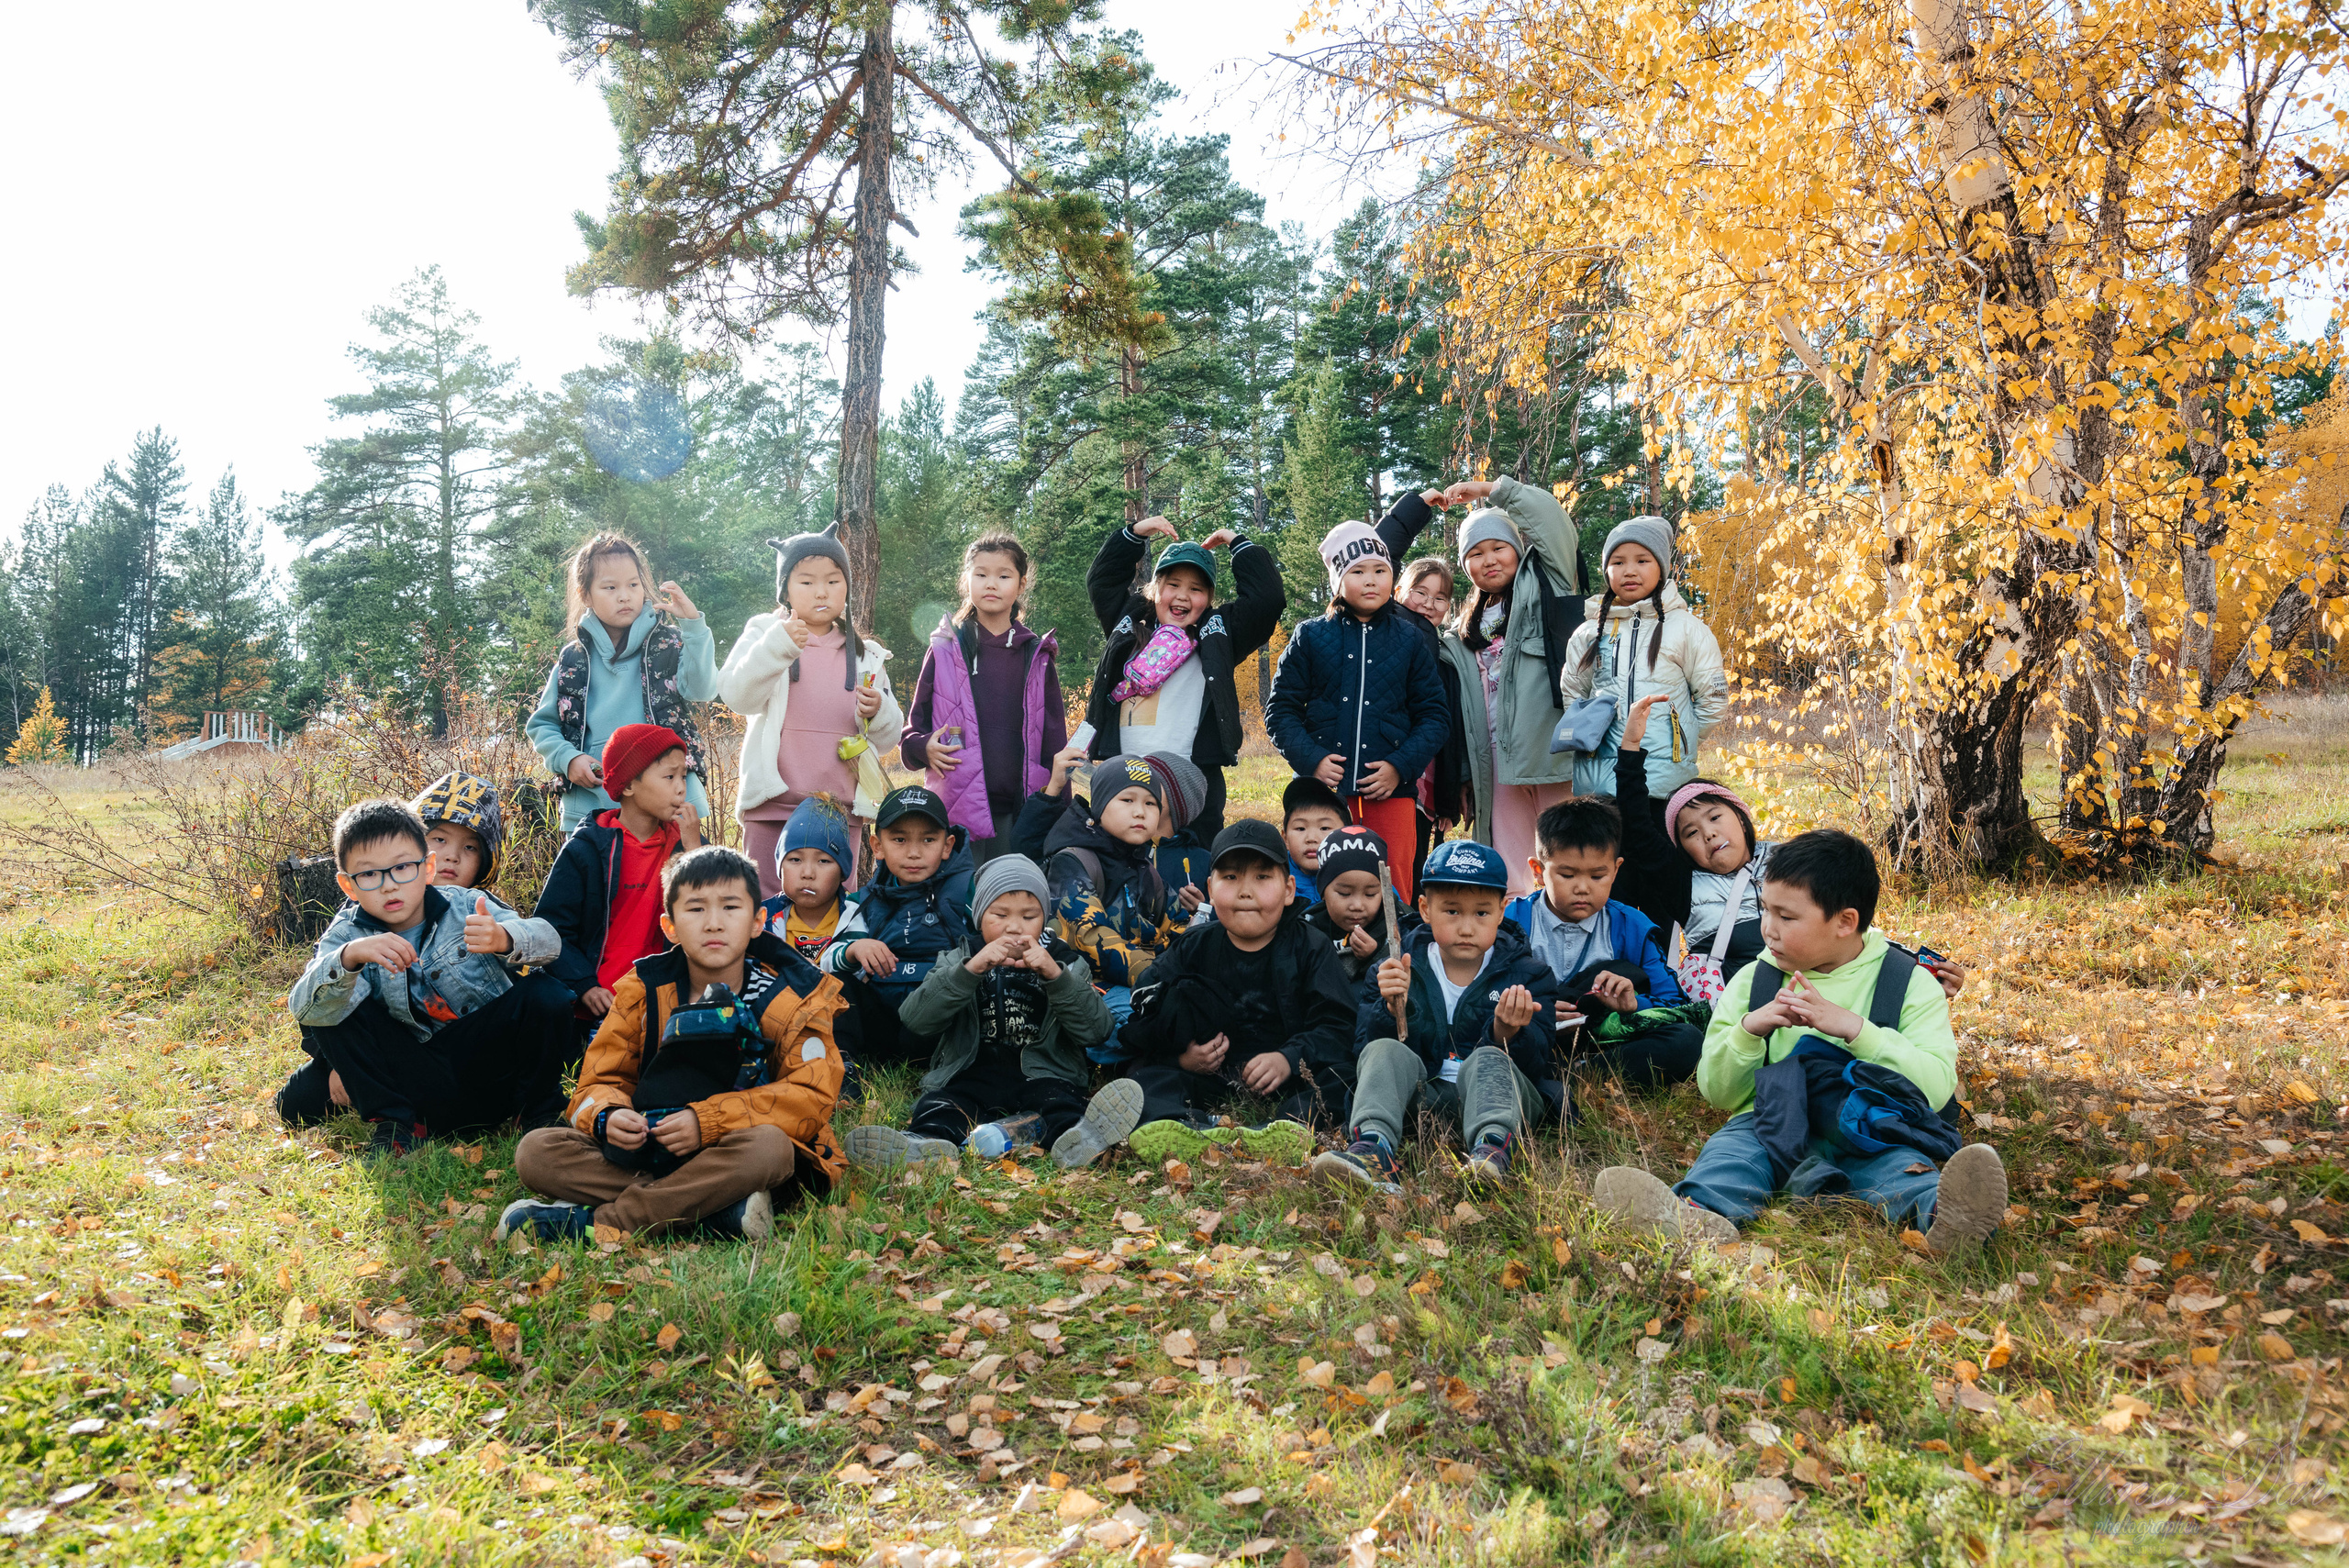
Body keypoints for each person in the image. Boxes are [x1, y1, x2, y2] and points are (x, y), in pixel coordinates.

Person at [1591, 830, 2008, 1253]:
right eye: (1765, 910)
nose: (1767, 930)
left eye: (1786, 917)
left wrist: (1855, 1029)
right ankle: (1694, 1218)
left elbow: (1935, 1088)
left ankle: (1946, 1220)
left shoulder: (1907, 983)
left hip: (1869, 1127)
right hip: (1767, 1122)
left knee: (1899, 1169)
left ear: (1845, 921)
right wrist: (1748, 1032)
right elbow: (1717, 1092)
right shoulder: (1756, 980)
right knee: (1731, 1157)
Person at [496, 847, 848, 1241]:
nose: (714, 924)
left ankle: (606, 1224)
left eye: (731, 908)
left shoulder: (795, 996)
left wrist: (707, 1122)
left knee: (771, 1149)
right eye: (696, 910)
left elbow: (811, 1095)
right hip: (654, 1148)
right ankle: (716, 1212)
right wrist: (609, 1116)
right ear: (670, 927)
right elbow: (598, 1080)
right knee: (537, 1152)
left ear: (757, 921)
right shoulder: (641, 990)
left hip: (740, 1152)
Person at [282, 799, 573, 1154]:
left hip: (488, 1064)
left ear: (427, 867)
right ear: (348, 886)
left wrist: (504, 938)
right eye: (370, 874)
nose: (389, 886)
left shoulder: (466, 904)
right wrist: (350, 958)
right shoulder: (346, 935)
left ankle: (537, 1113)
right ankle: (396, 1126)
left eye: (403, 867)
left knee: (546, 994)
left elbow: (550, 941)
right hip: (416, 1076)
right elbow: (306, 1009)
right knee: (301, 1086)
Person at [843, 855, 1145, 1171]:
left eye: (1029, 916)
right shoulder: (958, 957)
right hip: (972, 1071)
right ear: (979, 916)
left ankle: (1079, 1139)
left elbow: (1096, 1030)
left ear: (1044, 919)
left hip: (1044, 1074)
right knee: (941, 1105)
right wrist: (969, 971)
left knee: (1060, 1103)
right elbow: (916, 1019)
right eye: (1000, 915)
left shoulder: (1065, 963)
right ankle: (923, 1145)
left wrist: (1056, 977)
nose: (1014, 927)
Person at [1311, 839, 1564, 1193]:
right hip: (1417, 1101)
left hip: (1496, 1104)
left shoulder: (1529, 975)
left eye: (1481, 913)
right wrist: (1389, 1009)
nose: (1466, 927)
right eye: (1451, 911)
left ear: (1502, 911)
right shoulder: (1395, 967)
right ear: (1425, 909)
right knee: (1385, 1051)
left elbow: (1538, 1065)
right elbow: (1366, 1054)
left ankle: (1492, 1153)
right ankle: (1373, 1147)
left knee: (1489, 1058)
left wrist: (1507, 1033)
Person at [1122, 820, 1355, 1162]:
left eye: (1262, 877)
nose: (1246, 891)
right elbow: (1146, 1013)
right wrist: (1183, 1058)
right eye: (1230, 877)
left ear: (1289, 889)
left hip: (1292, 1078)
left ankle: (1282, 1128)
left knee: (1345, 1078)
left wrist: (1289, 1059)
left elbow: (1338, 1025)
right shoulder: (1193, 946)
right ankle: (1187, 1128)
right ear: (1210, 889)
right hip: (1210, 1075)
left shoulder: (1310, 946)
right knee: (1145, 1077)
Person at [1265, 522, 1451, 903]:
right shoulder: (1310, 637)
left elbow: (1434, 717)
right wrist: (1312, 759)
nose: (1371, 580)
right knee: (1317, 884)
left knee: (1393, 885)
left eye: (1380, 571)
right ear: (1337, 581)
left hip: (1392, 794)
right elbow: (1280, 709)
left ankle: (1392, 957)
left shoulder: (1411, 640)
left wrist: (1400, 766)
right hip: (1324, 794)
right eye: (1358, 571)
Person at [719, 524, 902, 899]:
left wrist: (880, 710)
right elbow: (738, 695)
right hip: (772, 806)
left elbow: (888, 738)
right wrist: (779, 646)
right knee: (767, 909)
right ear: (785, 589)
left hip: (840, 810)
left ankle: (831, 962)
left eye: (834, 581)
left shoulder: (865, 654)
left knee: (834, 911)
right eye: (806, 582)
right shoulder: (765, 633)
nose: (821, 591)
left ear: (847, 587)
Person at [1082, 516, 1286, 845]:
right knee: (1122, 867)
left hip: (1194, 781)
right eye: (1173, 585)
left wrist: (1236, 541)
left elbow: (1268, 599)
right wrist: (1134, 534)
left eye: (1196, 589)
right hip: (1125, 776)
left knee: (1194, 869)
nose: (1182, 597)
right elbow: (1102, 581)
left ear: (1208, 598)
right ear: (1156, 589)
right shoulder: (1130, 620)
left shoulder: (1219, 635)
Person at [1443, 478, 1587, 895]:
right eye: (1474, 553)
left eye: (1497, 547)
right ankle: (1518, 947)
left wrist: (1491, 489)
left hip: (1550, 755)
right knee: (1511, 874)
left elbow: (1552, 521)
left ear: (1518, 549)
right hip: (1496, 766)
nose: (1488, 560)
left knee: (1568, 860)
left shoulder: (1547, 585)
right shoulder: (1463, 627)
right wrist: (1468, 775)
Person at [1501, 796, 1701, 1093]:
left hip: (1603, 1042)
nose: (1583, 887)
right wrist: (1534, 1008)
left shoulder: (1631, 926)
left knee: (1688, 1041)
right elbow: (1479, 990)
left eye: (1598, 875)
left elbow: (1674, 1004)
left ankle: (1579, 1076)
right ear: (1538, 870)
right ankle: (1552, 1076)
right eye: (1567, 875)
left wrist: (1633, 1005)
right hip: (1530, 1034)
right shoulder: (1512, 920)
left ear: (1616, 869)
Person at [527, 532, 718, 837]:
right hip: (594, 805)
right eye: (610, 587)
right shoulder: (574, 660)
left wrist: (693, 625)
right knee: (599, 885)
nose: (625, 595)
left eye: (633, 584)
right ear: (585, 594)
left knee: (677, 883)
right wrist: (569, 758)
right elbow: (543, 725)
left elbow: (702, 689)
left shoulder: (667, 644)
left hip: (670, 803)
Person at [899, 534, 1068, 865]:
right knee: (960, 902)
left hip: (1020, 809)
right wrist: (924, 747)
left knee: (1008, 904)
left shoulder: (1037, 655)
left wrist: (1058, 805)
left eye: (1004, 576)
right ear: (966, 581)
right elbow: (913, 730)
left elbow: (1054, 740)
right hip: (956, 810)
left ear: (1021, 585)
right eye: (981, 574)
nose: (991, 584)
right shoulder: (945, 649)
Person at [536, 725, 704, 1027]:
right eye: (670, 777)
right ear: (628, 785)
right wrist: (585, 985)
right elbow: (552, 928)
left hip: (665, 997)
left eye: (683, 776)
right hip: (601, 1000)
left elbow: (708, 913)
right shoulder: (587, 848)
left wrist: (694, 848)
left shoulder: (682, 843)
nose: (681, 788)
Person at [1559, 517, 1729, 811]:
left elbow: (1713, 699)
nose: (1630, 571)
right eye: (1618, 562)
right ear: (1607, 569)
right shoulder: (1589, 631)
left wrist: (1682, 738)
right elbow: (1573, 692)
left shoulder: (1687, 629)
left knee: (1656, 854)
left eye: (1642, 560)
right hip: (1599, 780)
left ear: (1661, 567)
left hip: (1664, 781)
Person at [818, 785, 974, 1084]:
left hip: (943, 1026)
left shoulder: (970, 889)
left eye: (928, 840)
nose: (913, 853)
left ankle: (966, 1064)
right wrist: (854, 949)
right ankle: (843, 1068)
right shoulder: (861, 902)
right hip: (885, 1027)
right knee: (838, 985)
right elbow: (827, 960)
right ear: (877, 846)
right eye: (899, 840)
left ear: (947, 844)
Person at [1042, 756, 1190, 1047]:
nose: (1140, 812)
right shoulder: (1072, 861)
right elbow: (1092, 938)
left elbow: (1180, 925)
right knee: (1132, 1017)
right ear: (1099, 806)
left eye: (1151, 804)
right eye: (1127, 800)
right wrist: (1159, 977)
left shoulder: (1144, 868)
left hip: (1142, 978)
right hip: (1084, 985)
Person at [1399, 556, 1464, 873]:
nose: (1429, 604)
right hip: (1393, 774)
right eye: (1420, 592)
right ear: (1398, 592)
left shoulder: (1447, 658)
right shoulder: (1387, 636)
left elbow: (1451, 734)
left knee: (1415, 866)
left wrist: (1448, 801)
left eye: (1440, 598)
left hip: (1428, 781)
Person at [1305, 825, 1410, 985]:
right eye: (1344, 893)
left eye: (1370, 894)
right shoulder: (1309, 926)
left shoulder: (1401, 922)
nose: (1357, 905)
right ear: (1323, 892)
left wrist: (1376, 955)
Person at [761, 795, 856, 963]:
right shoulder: (760, 922)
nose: (807, 873)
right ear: (780, 867)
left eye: (823, 861)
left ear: (842, 871)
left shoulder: (859, 918)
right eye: (795, 860)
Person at [413, 773, 509, 893]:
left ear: (485, 864)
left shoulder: (487, 910)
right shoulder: (388, 901)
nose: (452, 857)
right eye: (440, 840)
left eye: (469, 847)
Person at [1278, 775, 1349, 910]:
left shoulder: (1363, 874)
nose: (1311, 838)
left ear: (1346, 835)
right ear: (1285, 838)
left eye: (1324, 828)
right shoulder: (1275, 880)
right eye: (1300, 828)